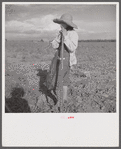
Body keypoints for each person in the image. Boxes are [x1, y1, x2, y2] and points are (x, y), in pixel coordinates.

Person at [47, 13, 78, 106]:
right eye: (60, 23)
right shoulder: (60, 33)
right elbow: (54, 45)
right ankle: (58, 97)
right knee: (55, 76)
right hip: (58, 57)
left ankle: (63, 99)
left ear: (67, 24)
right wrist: (59, 38)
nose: (60, 25)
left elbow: (72, 48)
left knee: (64, 79)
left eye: (62, 23)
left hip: (66, 58)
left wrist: (66, 37)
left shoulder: (73, 34)